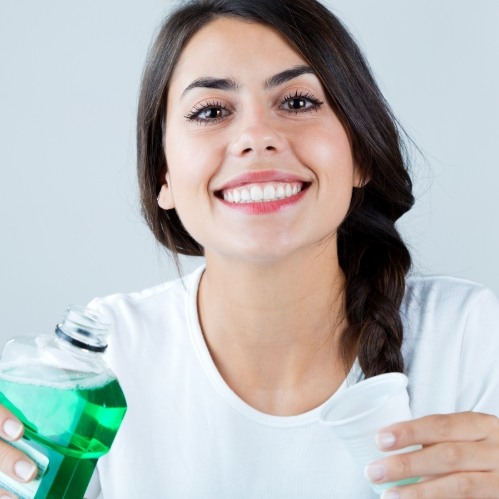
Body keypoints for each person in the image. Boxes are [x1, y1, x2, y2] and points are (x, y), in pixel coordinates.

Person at [1, 0, 499, 497]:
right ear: (163, 177)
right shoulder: (99, 367)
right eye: (212, 111)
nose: (257, 137)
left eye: (298, 102)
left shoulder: (467, 338)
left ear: (360, 155)